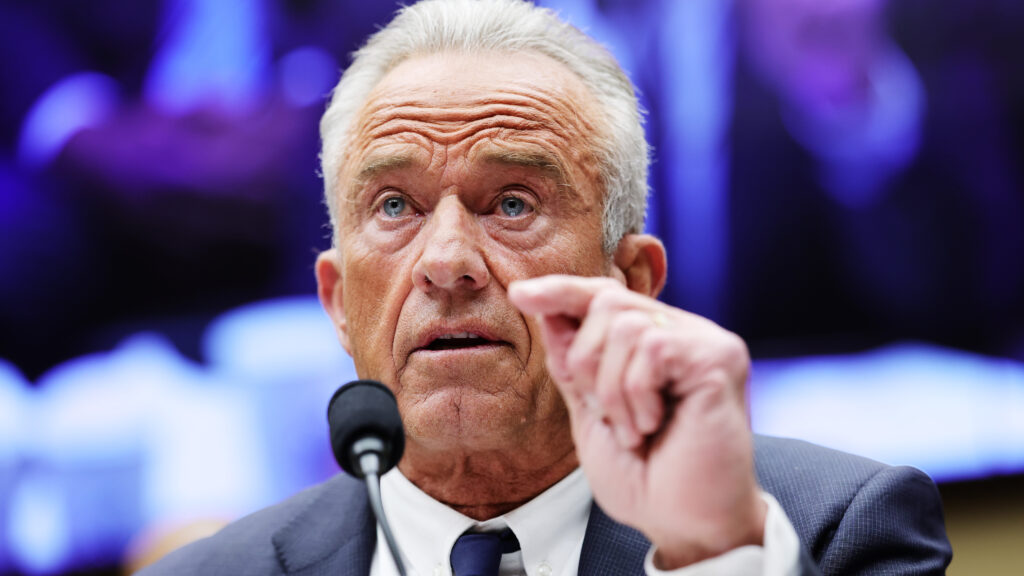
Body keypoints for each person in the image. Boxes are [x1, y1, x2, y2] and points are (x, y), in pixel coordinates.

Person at [138, 0, 952, 574]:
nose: (446, 260)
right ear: (338, 302)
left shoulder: (837, 537)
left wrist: (716, 558)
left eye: (513, 203)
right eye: (395, 207)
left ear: (634, 283)